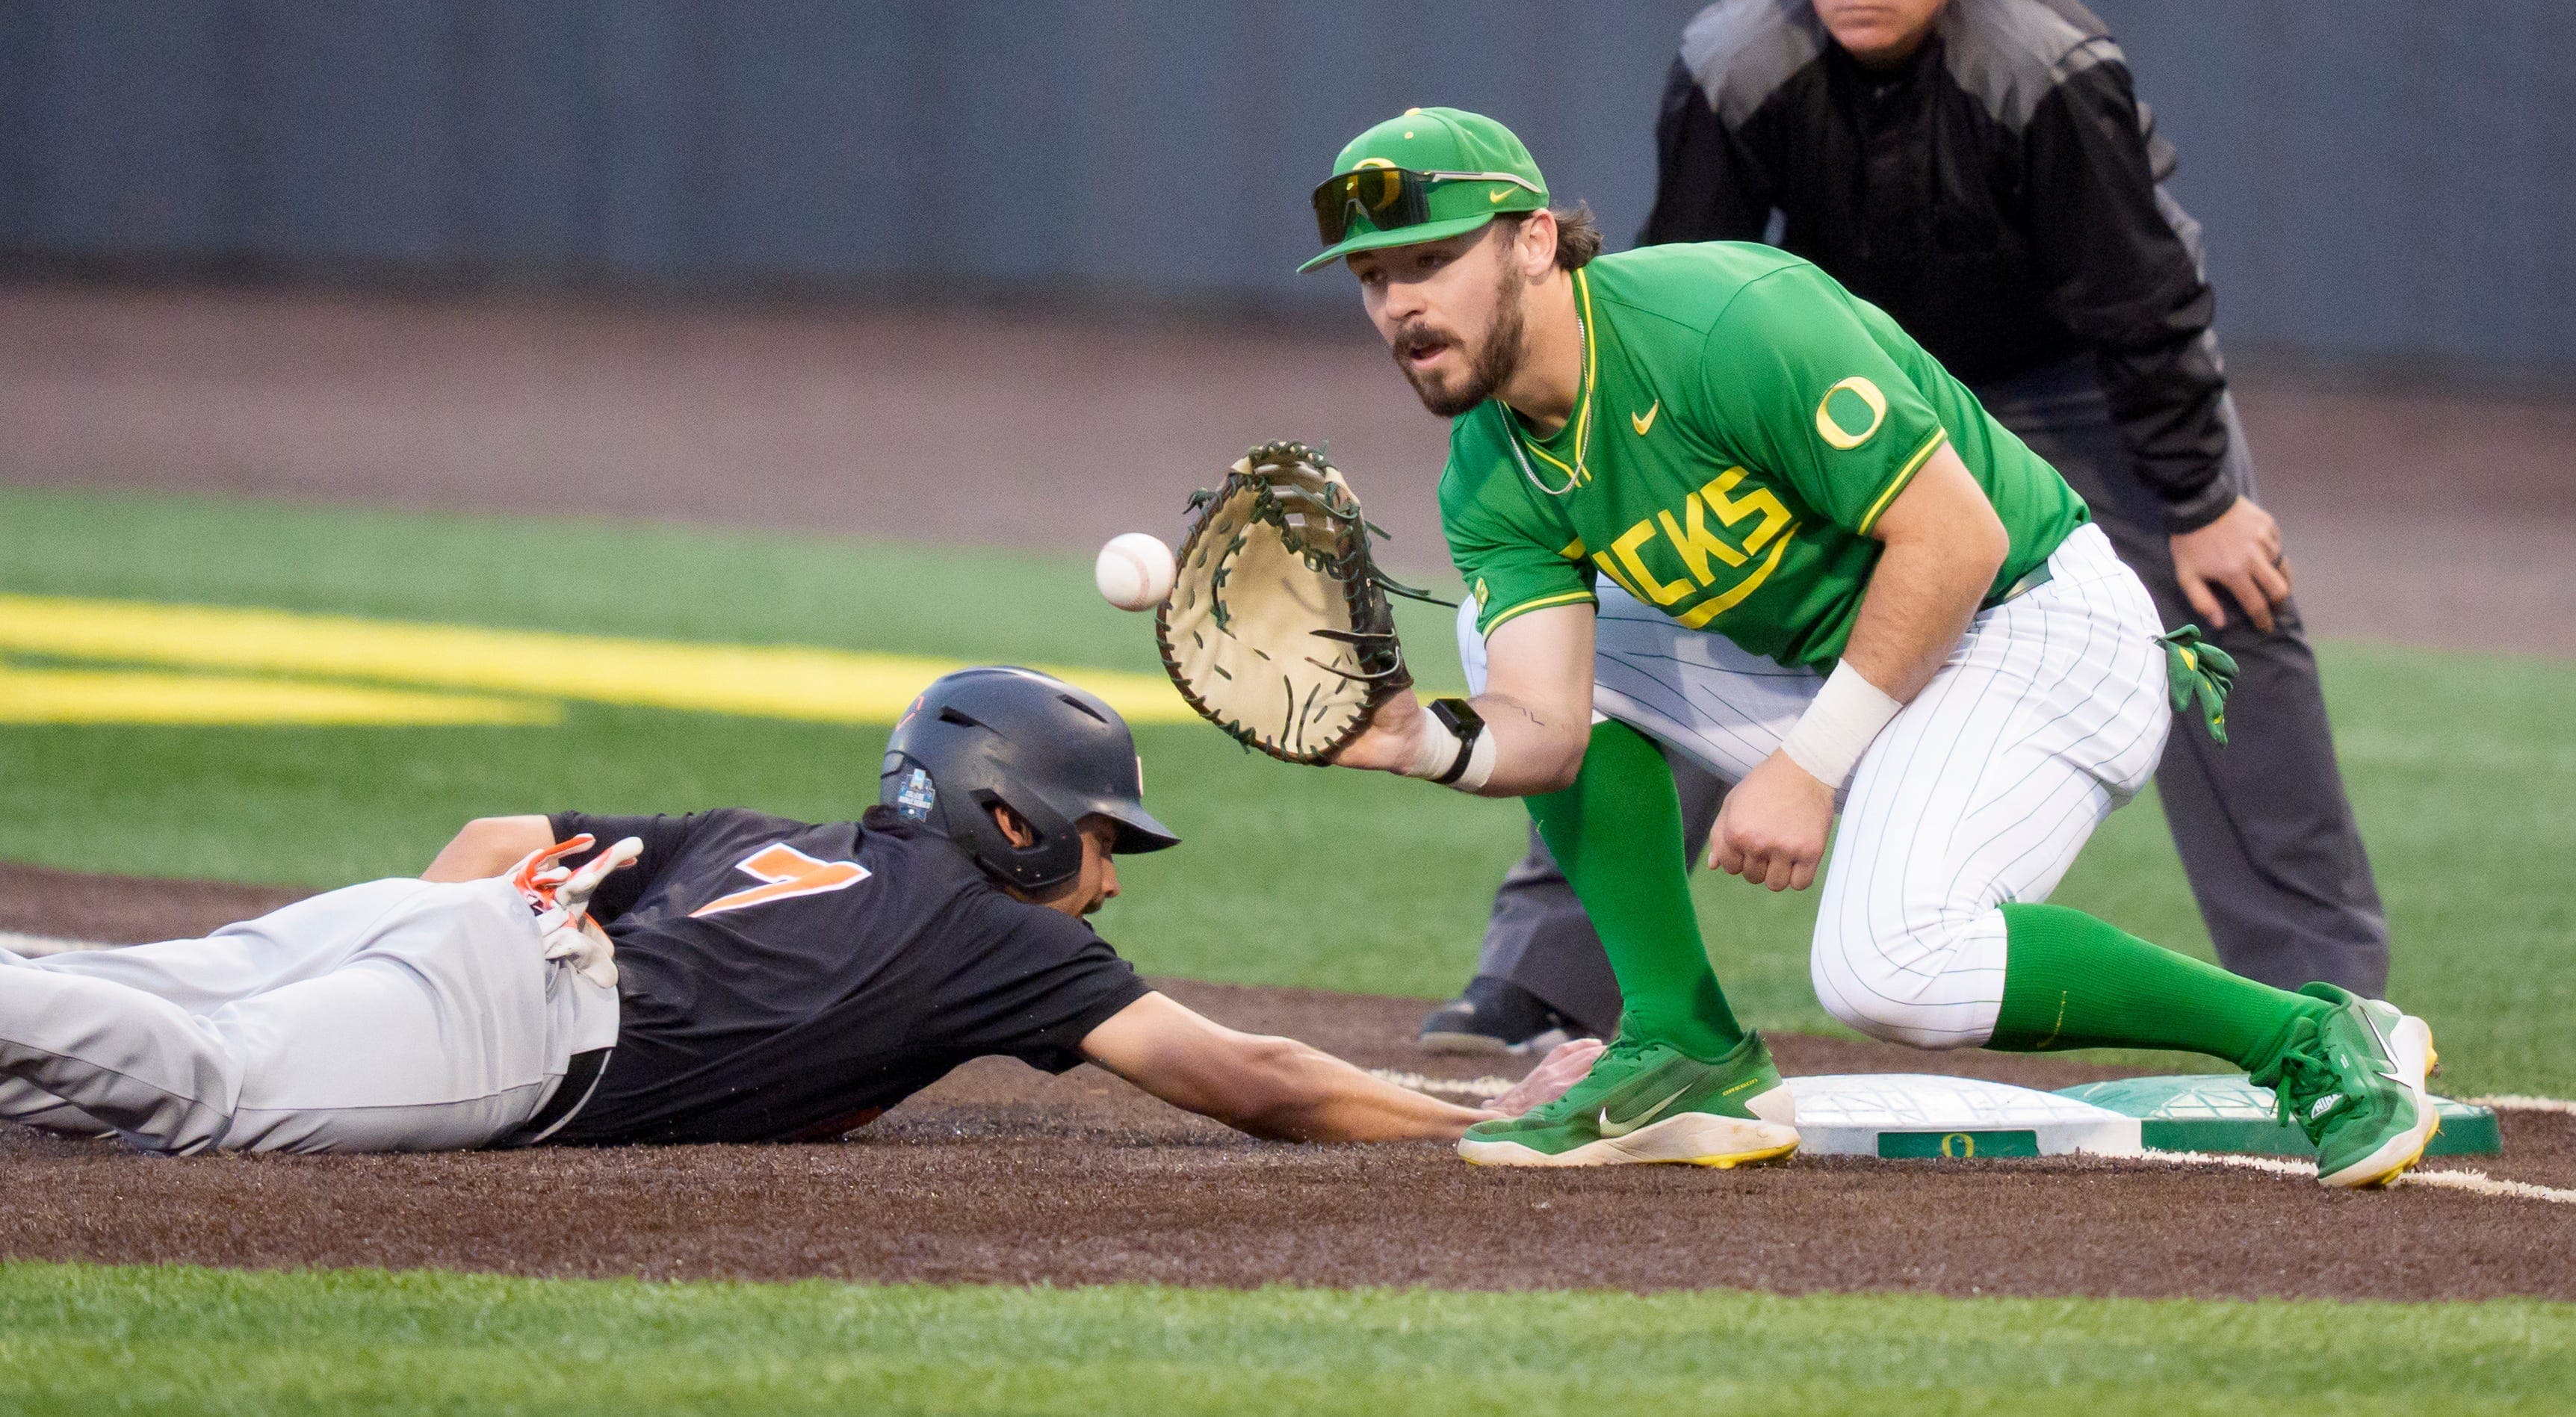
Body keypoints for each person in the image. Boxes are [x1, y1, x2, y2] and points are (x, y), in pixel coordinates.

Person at [1304, 105, 2437, 1188]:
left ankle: (2312, 1034)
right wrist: (1418, 740)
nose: (1399, 303)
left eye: (1429, 261)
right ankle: (1687, 1047)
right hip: (1851, 660)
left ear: (1536, 241)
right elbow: (1548, 727)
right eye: (1372, 279)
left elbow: (1957, 538)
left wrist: (1811, 766)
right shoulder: (1491, 473)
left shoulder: (1722, 322)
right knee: (1488, 644)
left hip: (2038, 624)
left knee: (1886, 967)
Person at [1422, 0, 2386, 1057]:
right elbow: (1659, 290)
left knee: (2232, 604)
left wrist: (2201, 501)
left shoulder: (2044, 63)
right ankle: (1551, 979)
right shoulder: (1736, 57)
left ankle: (2329, 990)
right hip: (1841, 370)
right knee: (1622, 589)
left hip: (2069, 376)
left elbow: (2141, 296)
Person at [0, 666, 1581, 1155]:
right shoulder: (994, 935)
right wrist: (1483, 1121)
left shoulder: (760, 837)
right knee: (203, 1087)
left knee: (125, 992)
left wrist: (427, 961)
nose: (1106, 880)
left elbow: (495, 834)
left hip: (445, 927)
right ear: (1010, 817)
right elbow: (1251, 1079)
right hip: (520, 1019)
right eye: (1102, 842)